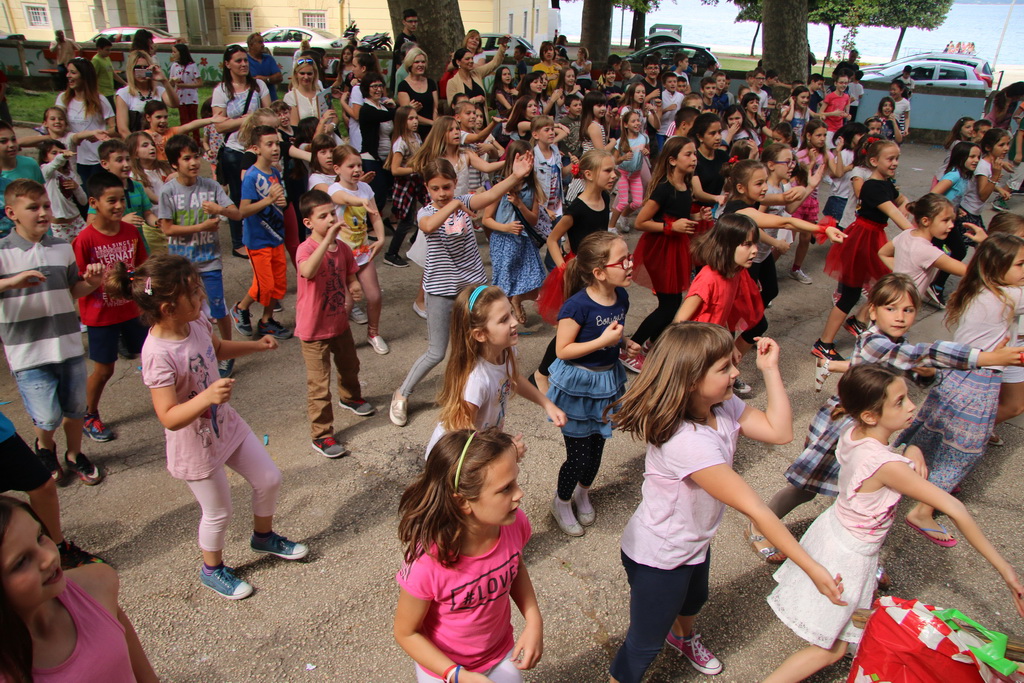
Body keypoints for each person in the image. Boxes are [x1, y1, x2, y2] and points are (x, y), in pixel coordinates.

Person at [608, 323, 845, 682]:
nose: (736, 372)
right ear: (690, 380)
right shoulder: (687, 442)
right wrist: (812, 568)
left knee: (694, 600)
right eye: (724, 368)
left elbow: (780, 432)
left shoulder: (720, 406)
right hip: (661, 557)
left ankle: (682, 637)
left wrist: (770, 370)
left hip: (694, 542)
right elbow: (755, 509)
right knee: (643, 646)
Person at [764, 364, 1024, 681]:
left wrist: (911, 449)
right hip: (851, 556)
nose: (912, 406)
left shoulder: (852, 429)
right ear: (871, 415)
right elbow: (955, 508)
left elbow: (885, 456)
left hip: (833, 532)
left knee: (842, 630)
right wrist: (1007, 572)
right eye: (900, 402)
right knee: (829, 650)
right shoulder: (888, 467)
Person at [751, 273, 1024, 563]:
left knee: (855, 494)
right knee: (805, 488)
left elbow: (919, 372)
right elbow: (923, 353)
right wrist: (985, 358)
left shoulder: (897, 344)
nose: (900, 316)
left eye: (908, 309)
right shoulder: (875, 342)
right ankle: (759, 527)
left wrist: (928, 373)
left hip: (869, 429)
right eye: (890, 308)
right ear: (872, 311)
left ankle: (853, 557)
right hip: (842, 425)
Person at [107, 254, 305, 599]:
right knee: (218, 512)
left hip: (225, 425)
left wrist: (255, 346)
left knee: (269, 478)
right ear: (168, 308)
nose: (203, 297)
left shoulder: (196, 321)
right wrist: (207, 397)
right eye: (194, 293)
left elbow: (217, 349)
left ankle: (263, 538)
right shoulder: (157, 354)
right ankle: (211, 570)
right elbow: (168, 416)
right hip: (194, 445)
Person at [389, 152, 535, 427]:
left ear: (455, 182)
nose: (442, 193)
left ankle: (472, 393)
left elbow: (490, 196)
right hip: (440, 291)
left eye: (447, 187)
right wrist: (455, 203)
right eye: (435, 188)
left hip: (472, 290)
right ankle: (402, 393)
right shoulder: (427, 212)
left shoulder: (465, 202)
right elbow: (428, 226)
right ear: (427, 188)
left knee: (477, 345)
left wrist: (515, 176)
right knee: (437, 352)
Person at [898, 234, 1024, 544]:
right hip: (980, 383)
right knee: (962, 451)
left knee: (935, 431)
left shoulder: (980, 289)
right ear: (998, 267)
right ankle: (923, 510)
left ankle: (914, 476)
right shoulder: (1009, 296)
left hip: (955, 375)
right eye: (1020, 265)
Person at [394, 428, 543, 682]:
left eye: (516, 482)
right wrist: (457, 675)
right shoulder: (427, 562)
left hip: (500, 656)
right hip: (444, 670)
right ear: (463, 501)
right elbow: (406, 633)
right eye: (506, 488)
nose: (519, 494)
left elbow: (514, 566)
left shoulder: (513, 523)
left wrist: (533, 619)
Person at [0, 179, 106, 486]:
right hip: (27, 351)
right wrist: (11, 283)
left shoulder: (61, 247)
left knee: (75, 408)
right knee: (47, 416)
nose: (43, 212)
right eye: (33, 207)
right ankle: (45, 447)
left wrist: (92, 283)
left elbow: (73, 289)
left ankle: (74, 454)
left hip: (68, 344)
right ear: (12, 213)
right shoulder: (3, 251)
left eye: (46, 206)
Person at [0, 496, 159, 681]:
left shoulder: (95, 586)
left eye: (39, 537)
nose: (49, 557)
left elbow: (145, 675)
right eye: (21, 562)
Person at [547, 232, 640, 537]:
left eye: (629, 257)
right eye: (622, 261)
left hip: (606, 382)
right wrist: (603, 341)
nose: (630, 264)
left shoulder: (621, 296)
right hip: (577, 386)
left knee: (597, 448)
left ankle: (582, 493)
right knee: (579, 455)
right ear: (599, 273)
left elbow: (613, 333)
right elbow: (563, 350)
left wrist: (623, 342)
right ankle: (561, 501)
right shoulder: (577, 306)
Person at [427, 284, 566, 457]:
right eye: (504, 319)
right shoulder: (476, 382)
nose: (514, 322)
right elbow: (463, 443)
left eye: (511, 313)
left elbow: (513, 378)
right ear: (480, 334)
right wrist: (506, 453)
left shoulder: (505, 351)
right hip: (455, 458)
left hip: (480, 446)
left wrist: (547, 404)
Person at [815, 140, 912, 362]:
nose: (895, 163)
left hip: (874, 237)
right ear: (874, 161)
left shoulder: (886, 184)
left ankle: (858, 320)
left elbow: (901, 200)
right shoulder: (872, 187)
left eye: (897, 158)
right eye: (890, 158)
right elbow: (896, 217)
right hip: (863, 240)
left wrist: (906, 205)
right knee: (852, 293)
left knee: (884, 284)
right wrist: (919, 236)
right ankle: (824, 343)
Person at [295, 189, 371, 458]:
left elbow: (350, 274)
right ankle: (321, 435)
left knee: (350, 365)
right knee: (319, 384)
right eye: (323, 216)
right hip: (313, 330)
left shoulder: (343, 249)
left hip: (339, 323)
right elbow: (307, 271)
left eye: (332, 214)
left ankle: (350, 397)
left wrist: (354, 285)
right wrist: (327, 239)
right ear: (308, 222)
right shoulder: (305, 249)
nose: (330, 219)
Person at [73, 171, 148, 444]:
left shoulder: (131, 232)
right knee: (104, 370)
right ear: (94, 202)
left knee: (154, 355)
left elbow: (143, 270)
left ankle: (177, 401)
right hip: (100, 316)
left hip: (132, 311)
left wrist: (149, 297)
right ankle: (89, 414)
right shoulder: (84, 240)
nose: (119, 206)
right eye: (111, 201)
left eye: (122, 200)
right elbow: (76, 282)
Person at [158, 134, 240, 378]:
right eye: (186, 158)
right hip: (181, 263)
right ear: (174, 164)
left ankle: (227, 351)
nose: (193, 162)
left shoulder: (211, 186)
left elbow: (237, 214)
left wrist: (220, 209)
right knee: (185, 308)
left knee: (218, 306)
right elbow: (167, 228)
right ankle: (192, 351)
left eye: (196, 157)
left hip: (209, 259)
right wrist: (201, 227)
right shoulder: (168, 191)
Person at [627, 136, 704, 372]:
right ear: (672, 160)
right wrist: (671, 227)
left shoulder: (685, 185)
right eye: (688, 154)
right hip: (660, 250)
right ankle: (632, 348)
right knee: (669, 305)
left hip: (675, 249)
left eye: (694, 154)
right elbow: (640, 222)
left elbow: (678, 215)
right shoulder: (664, 189)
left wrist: (696, 218)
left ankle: (651, 343)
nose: (694, 158)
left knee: (672, 303)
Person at [230, 125, 292, 341]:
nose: (275, 148)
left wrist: (281, 202)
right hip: (257, 240)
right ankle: (240, 308)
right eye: (269, 144)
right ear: (256, 149)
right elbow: (243, 210)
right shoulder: (251, 176)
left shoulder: (275, 173)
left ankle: (267, 321)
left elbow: (279, 202)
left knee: (278, 284)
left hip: (276, 237)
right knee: (264, 285)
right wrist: (269, 200)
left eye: (277, 144)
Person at [326, 144, 389, 354]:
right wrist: (360, 200)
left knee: (374, 296)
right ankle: (340, 338)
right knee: (346, 303)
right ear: (337, 169)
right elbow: (342, 199)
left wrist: (380, 239)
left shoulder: (365, 189)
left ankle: (373, 333)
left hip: (362, 253)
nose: (357, 170)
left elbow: (375, 216)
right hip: (340, 257)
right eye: (351, 166)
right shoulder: (334, 189)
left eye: (359, 165)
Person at [211, 45, 272, 259]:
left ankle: (261, 235)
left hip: (257, 149)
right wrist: (245, 120)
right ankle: (238, 242)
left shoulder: (259, 86)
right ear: (228, 64)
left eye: (245, 60)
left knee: (261, 193)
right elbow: (219, 125)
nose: (243, 64)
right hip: (234, 149)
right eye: (238, 61)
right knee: (238, 196)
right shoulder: (221, 90)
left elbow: (268, 114)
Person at [879, 194, 982, 300]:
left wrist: (900, 271)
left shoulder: (906, 234)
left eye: (952, 220)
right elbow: (969, 271)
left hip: (894, 297)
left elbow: (883, 253)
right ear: (925, 221)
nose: (951, 225)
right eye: (945, 220)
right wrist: (984, 243)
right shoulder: (928, 252)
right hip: (905, 302)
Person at [115, 50, 179, 137]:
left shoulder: (159, 90)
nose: (142, 71)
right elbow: (123, 130)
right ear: (131, 70)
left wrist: (164, 80)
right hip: (136, 140)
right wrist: (140, 143)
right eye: (138, 68)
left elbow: (175, 104)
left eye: (146, 68)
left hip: (160, 140)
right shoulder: (123, 94)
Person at [38, 140, 87, 242]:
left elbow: (83, 201)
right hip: (59, 226)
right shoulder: (45, 171)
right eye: (54, 153)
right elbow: (55, 163)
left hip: (77, 221)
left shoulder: (71, 174)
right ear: (45, 158)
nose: (58, 155)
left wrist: (76, 187)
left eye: (61, 152)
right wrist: (62, 156)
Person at [447, 40, 508, 111]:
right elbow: (453, 106)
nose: (471, 61)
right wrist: (474, 100)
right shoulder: (452, 82)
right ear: (458, 62)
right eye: (467, 59)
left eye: (472, 58)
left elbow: (494, 63)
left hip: (481, 117)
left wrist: (502, 47)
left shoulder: (477, 73)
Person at [396, 47, 438, 139]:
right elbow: (407, 114)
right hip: (414, 131)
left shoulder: (431, 83)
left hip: (432, 131)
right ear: (410, 64)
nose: (421, 65)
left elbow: (435, 108)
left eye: (423, 62)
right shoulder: (403, 86)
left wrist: (435, 125)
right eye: (417, 62)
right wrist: (432, 123)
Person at [168, 43, 202, 142]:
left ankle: (196, 141)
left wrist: (184, 85)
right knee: (184, 121)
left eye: (175, 52)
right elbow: (170, 82)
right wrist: (173, 82)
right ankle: (185, 141)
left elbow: (199, 83)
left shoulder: (192, 66)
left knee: (194, 121)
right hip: (180, 98)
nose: (173, 54)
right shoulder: (174, 66)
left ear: (181, 53)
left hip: (192, 98)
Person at [818, 69, 851, 149]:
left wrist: (847, 116)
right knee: (827, 149)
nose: (843, 85)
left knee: (837, 149)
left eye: (845, 83)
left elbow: (847, 113)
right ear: (836, 83)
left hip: (839, 128)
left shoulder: (846, 97)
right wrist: (833, 113)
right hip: (828, 128)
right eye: (841, 83)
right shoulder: (830, 96)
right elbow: (820, 113)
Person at [246, 32, 283, 101]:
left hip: (271, 99)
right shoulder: (245, 60)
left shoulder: (269, 58)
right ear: (251, 45)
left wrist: (266, 79)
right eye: (260, 42)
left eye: (263, 42)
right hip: (253, 101)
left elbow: (279, 77)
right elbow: (248, 81)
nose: (263, 45)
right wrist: (271, 79)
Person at [91, 37, 125, 110]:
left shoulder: (107, 58)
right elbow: (92, 77)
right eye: (107, 50)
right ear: (99, 49)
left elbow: (113, 74)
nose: (109, 52)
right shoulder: (96, 60)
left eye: (110, 50)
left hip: (110, 91)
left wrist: (124, 83)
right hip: (102, 92)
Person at [390, 8, 419, 90]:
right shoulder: (400, 39)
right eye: (410, 21)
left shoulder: (414, 38)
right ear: (404, 22)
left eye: (415, 21)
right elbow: (397, 62)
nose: (413, 24)